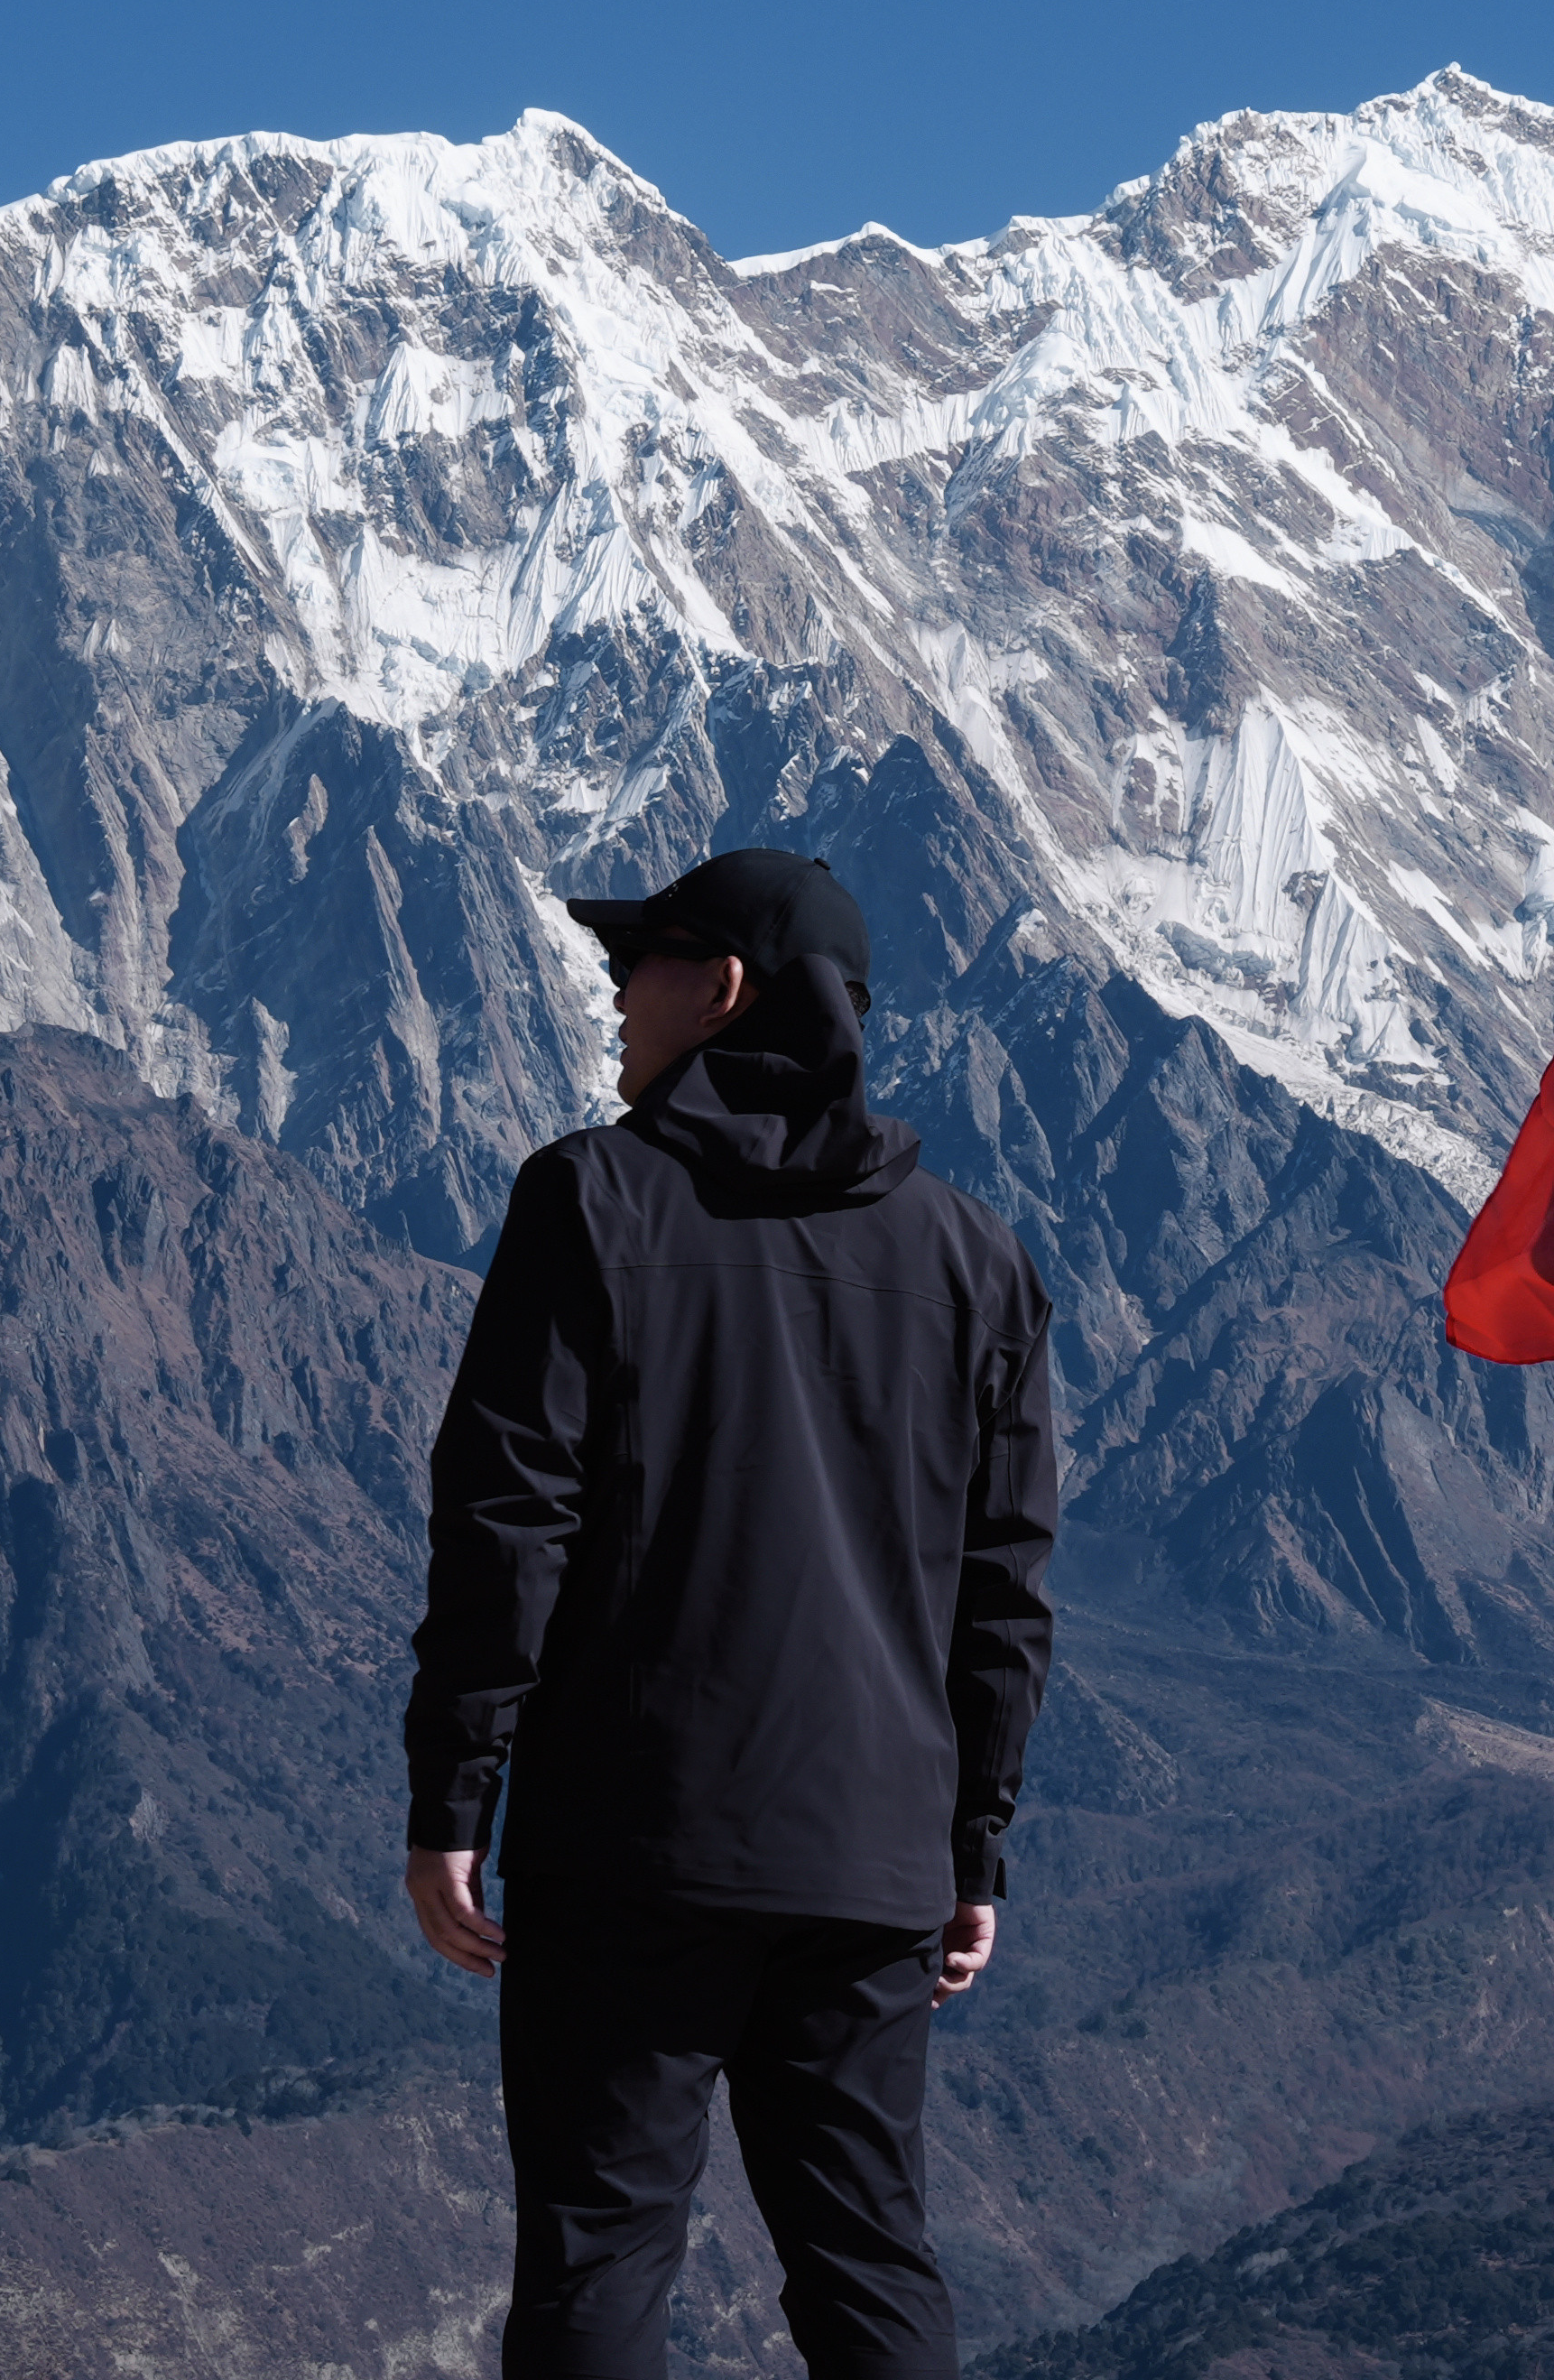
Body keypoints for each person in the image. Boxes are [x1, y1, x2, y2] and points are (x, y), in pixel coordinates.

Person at [404, 846, 1062, 2380]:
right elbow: (1006, 1584)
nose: (611, 992)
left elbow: (508, 1519)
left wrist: (452, 1796)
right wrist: (970, 1844)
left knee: (600, 2253)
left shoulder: (589, 1201)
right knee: (868, 2260)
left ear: (722, 990)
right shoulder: (976, 1259)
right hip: (874, 1862)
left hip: (634, 1850)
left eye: (636, 962)